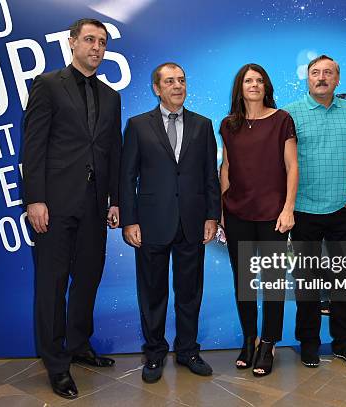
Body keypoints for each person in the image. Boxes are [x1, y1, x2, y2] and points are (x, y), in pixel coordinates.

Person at [22, 18, 121, 399]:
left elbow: (113, 151)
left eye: (102, 42)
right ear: (72, 42)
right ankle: (56, 363)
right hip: (55, 206)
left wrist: (117, 203)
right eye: (90, 40)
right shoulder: (47, 85)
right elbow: (33, 146)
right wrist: (35, 199)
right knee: (51, 286)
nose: (96, 47)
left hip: (96, 207)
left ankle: (80, 346)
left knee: (88, 279)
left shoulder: (111, 95)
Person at [119, 62, 221, 384]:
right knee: (152, 293)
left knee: (189, 292)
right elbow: (127, 177)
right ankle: (154, 353)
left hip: (192, 222)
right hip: (151, 224)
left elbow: (210, 176)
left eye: (181, 80)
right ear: (156, 88)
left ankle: (188, 350)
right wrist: (130, 221)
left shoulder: (203, 125)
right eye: (169, 81)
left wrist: (211, 216)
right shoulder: (137, 125)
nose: (177, 86)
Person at [284, 55, 346, 369]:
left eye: (328, 73)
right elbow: (283, 161)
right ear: (307, 78)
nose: (321, 77)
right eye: (316, 72)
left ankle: (344, 342)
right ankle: (308, 343)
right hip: (304, 210)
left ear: (337, 79)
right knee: (306, 280)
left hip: (343, 209)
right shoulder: (290, 113)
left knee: (343, 279)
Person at [219, 63, 298, 376]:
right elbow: (225, 168)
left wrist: (288, 208)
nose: (254, 85)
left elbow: (292, 167)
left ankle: (269, 342)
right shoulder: (228, 125)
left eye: (259, 80)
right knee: (244, 284)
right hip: (237, 212)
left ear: (266, 86)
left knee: (273, 282)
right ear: (240, 87)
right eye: (248, 80)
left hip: (273, 215)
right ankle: (249, 338)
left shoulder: (282, 120)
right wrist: (223, 211)